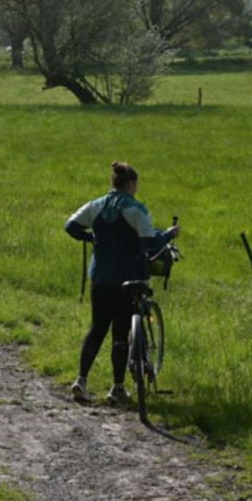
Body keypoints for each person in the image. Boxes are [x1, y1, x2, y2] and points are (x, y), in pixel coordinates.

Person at [64, 161, 180, 405]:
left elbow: (71, 226)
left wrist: (91, 237)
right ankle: (117, 388)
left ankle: (81, 380)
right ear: (131, 184)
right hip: (130, 278)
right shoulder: (136, 209)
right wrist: (169, 234)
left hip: (101, 277)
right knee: (120, 333)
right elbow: (150, 243)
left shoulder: (96, 205)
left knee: (97, 329)